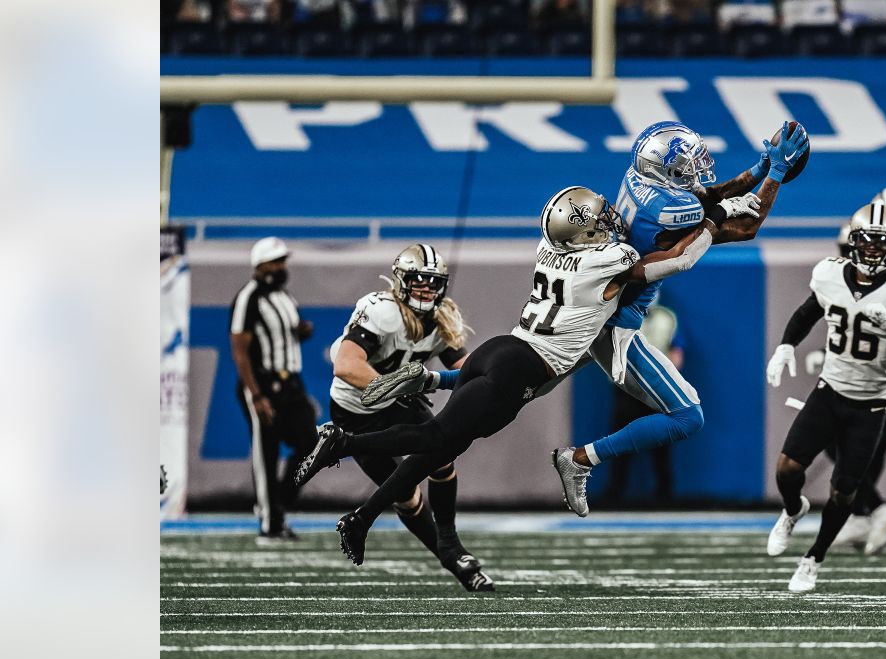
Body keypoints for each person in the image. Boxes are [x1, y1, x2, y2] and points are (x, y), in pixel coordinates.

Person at [293, 185, 757, 565]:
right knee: (433, 438)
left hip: (504, 350)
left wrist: (436, 381)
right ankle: (343, 443)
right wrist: (712, 223)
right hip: (521, 370)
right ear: (581, 234)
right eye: (596, 223)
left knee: (437, 448)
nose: (607, 223)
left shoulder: (549, 249)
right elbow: (676, 259)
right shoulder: (603, 261)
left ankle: (361, 519)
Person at [549, 120, 809, 515]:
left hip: (600, 303)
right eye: (686, 163)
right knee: (687, 416)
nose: (695, 169)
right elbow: (743, 226)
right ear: (663, 168)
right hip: (619, 318)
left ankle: (438, 379)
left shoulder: (642, 182)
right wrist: (776, 174)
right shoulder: (669, 208)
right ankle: (581, 459)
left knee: (533, 377)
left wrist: (758, 169)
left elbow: (710, 198)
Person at [763, 202, 886, 593]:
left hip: (873, 403)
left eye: (882, 242)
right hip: (829, 391)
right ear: (853, 241)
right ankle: (794, 508)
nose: (872, 249)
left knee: (844, 489)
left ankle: (813, 558)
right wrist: (786, 347)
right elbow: (806, 312)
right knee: (786, 470)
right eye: (866, 241)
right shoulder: (830, 273)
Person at [326, 244, 494, 591]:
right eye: (418, 282)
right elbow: (346, 365)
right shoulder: (382, 310)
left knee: (443, 453)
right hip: (357, 408)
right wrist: (396, 386)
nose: (426, 290)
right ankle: (446, 555)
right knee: (406, 494)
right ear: (401, 281)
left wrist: (498, 380)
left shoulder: (441, 317)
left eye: (433, 283)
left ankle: (452, 547)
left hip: (398, 399)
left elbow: (466, 370)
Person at [228, 236, 317, 543]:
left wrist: (302, 331)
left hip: (291, 381)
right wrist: (256, 394)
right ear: (260, 264)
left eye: (283, 261)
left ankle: (277, 502)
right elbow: (240, 350)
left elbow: (287, 333)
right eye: (276, 261)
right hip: (263, 383)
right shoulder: (248, 297)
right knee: (266, 452)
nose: (281, 267)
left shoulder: (284, 296)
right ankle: (270, 523)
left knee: (311, 442)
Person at [602, 303, 686, 504]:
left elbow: (677, 352)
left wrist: (664, 378)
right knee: (620, 437)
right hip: (626, 387)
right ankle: (616, 489)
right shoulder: (618, 316)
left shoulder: (667, 318)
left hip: (656, 388)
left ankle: (665, 491)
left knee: (661, 441)